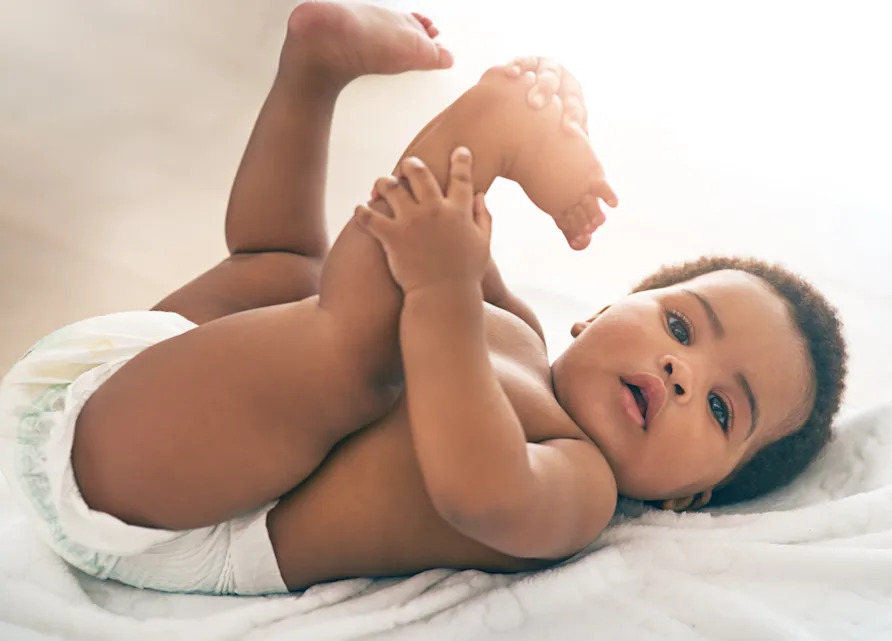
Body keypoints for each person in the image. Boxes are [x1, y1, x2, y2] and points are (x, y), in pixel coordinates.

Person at [0, 1, 846, 596]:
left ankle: (488, 114)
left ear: (689, 495)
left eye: (724, 410)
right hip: (148, 385)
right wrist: (476, 202)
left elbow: (475, 490)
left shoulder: (581, 485)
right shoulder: (518, 326)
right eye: (677, 324)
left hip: (160, 510)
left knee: (359, 351)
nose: (681, 370)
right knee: (295, 269)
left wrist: (446, 273)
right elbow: (421, 229)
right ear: (594, 316)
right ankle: (314, 69)